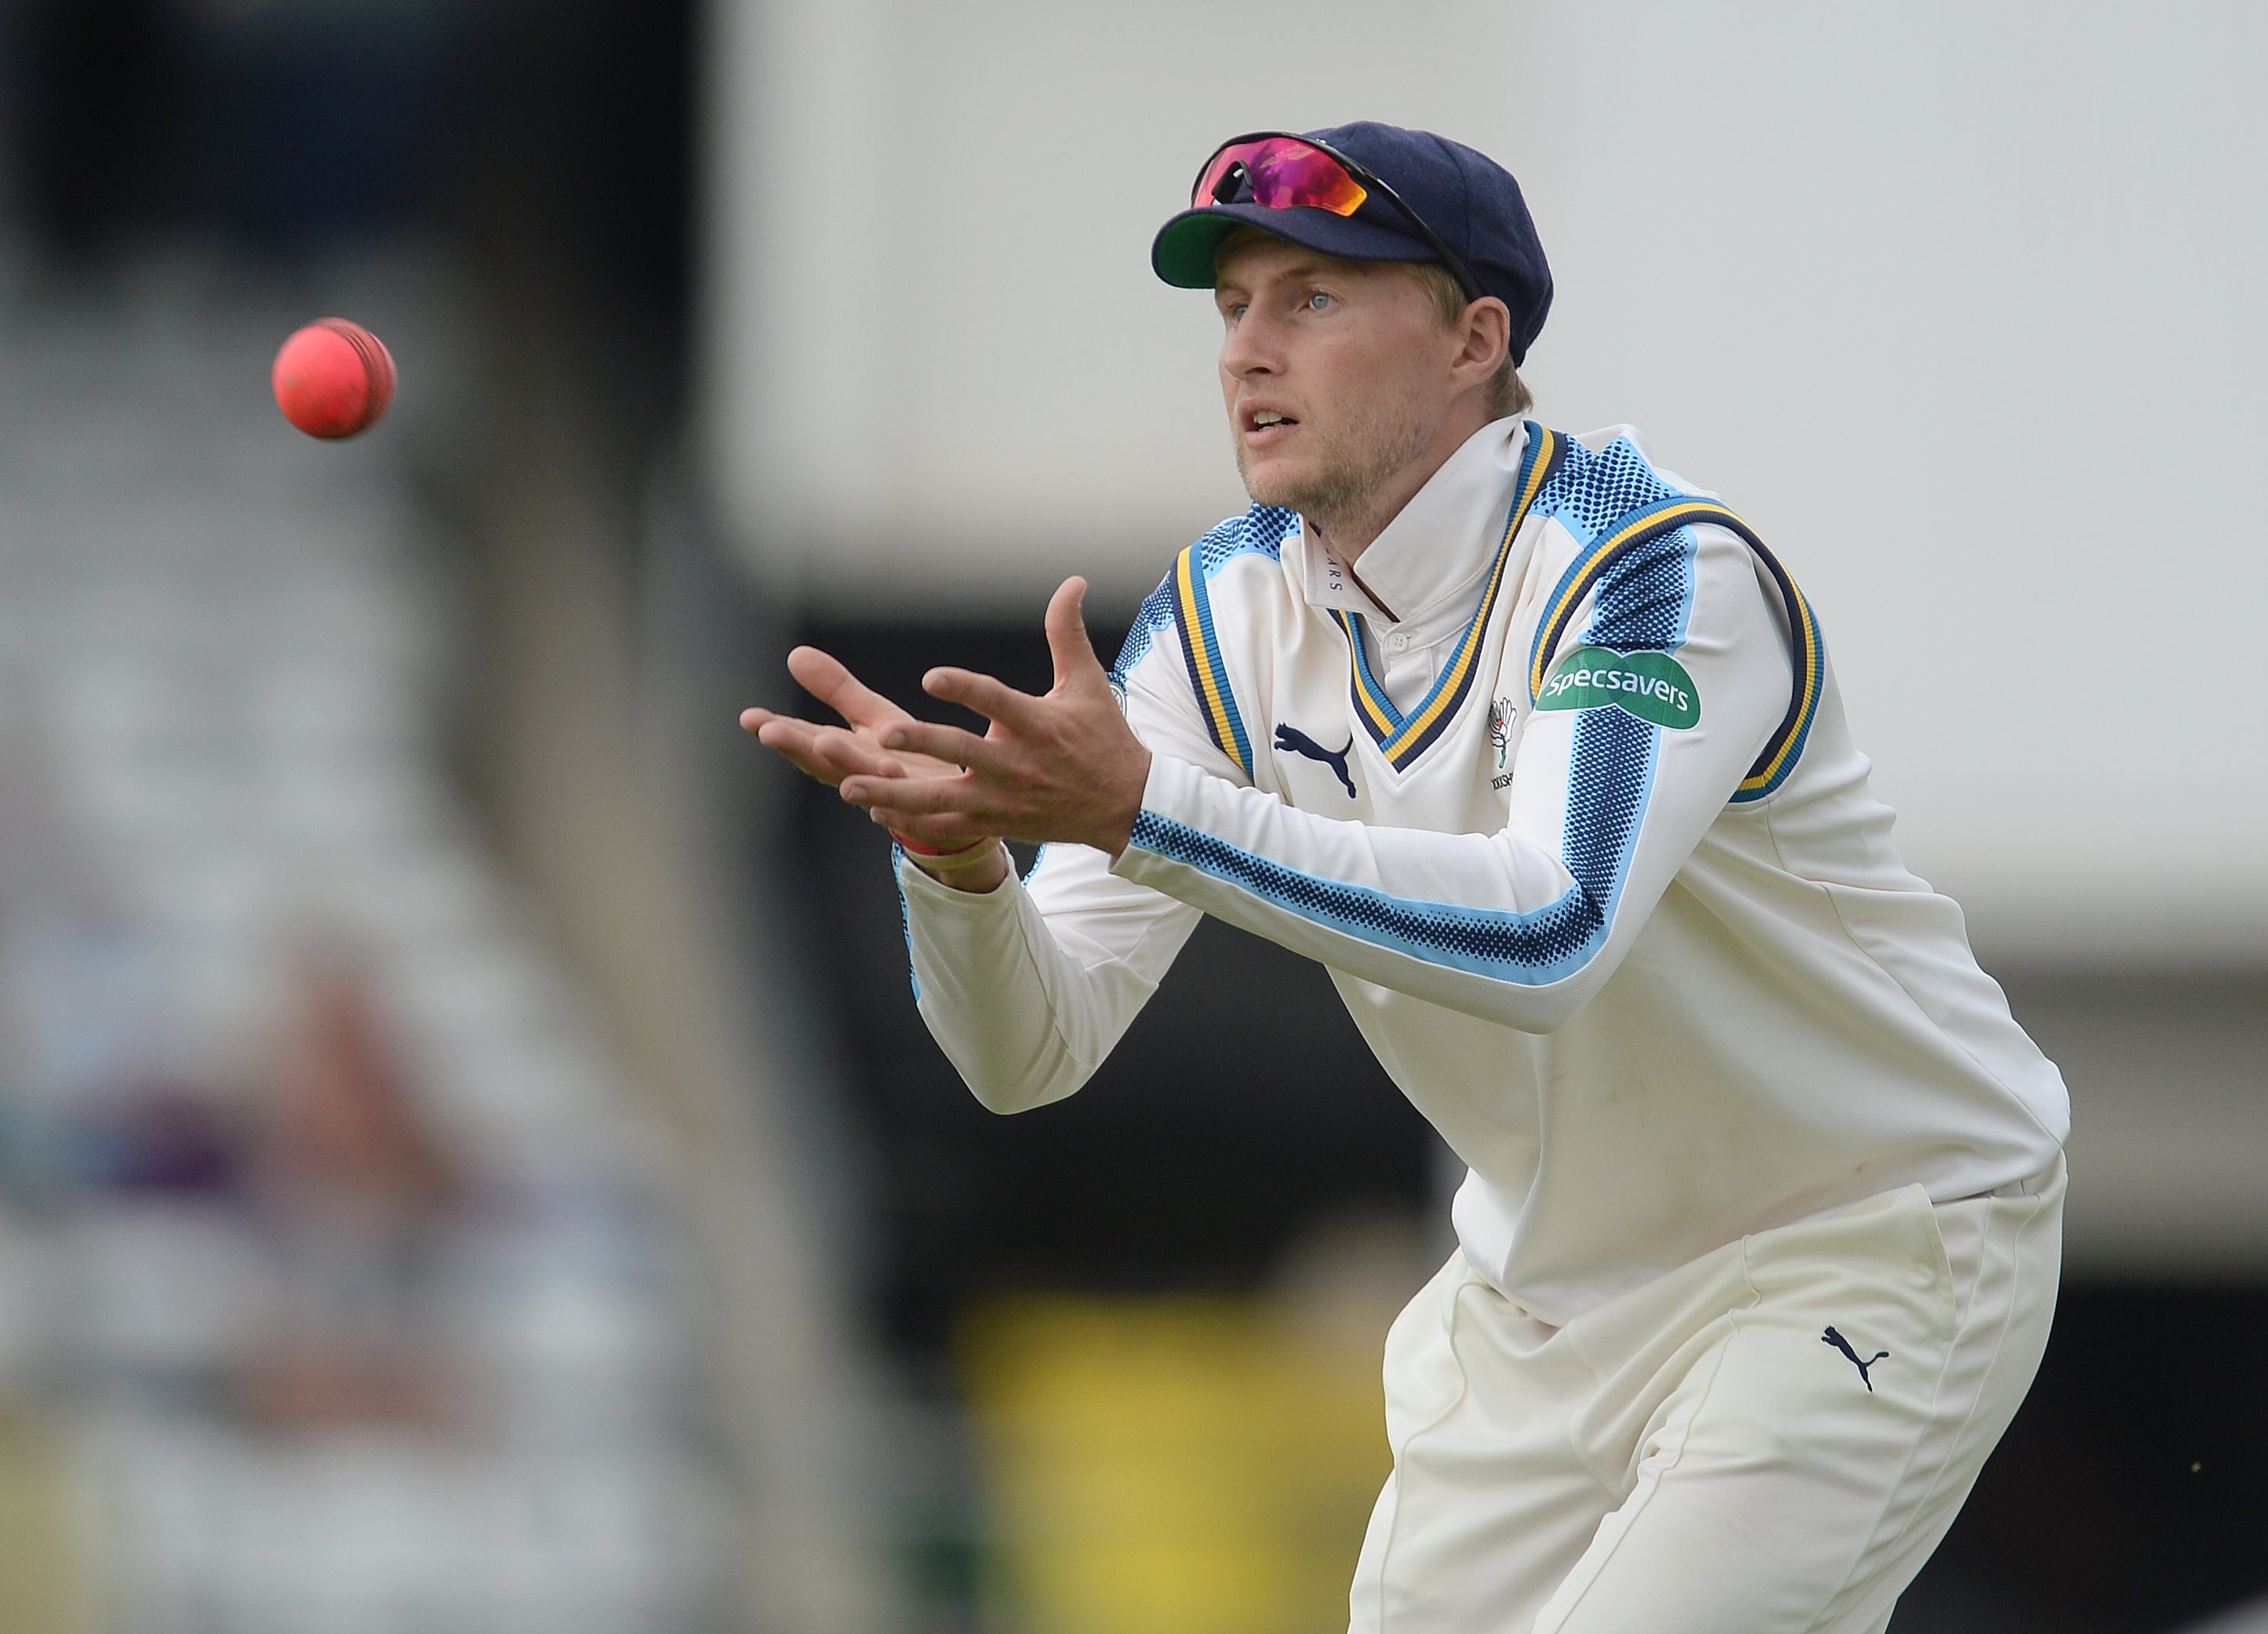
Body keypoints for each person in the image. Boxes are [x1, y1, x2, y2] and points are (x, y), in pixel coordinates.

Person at [742, 121, 2069, 1634]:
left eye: (1311, 298)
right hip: (1542, 1293)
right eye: (1232, 305)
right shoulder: (1225, 606)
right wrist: (959, 866)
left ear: (1473, 339)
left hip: (1862, 1240)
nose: (1249, 350)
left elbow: (1548, 934)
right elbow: (1027, 1052)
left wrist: (1146, 811)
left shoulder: (1650, 567)